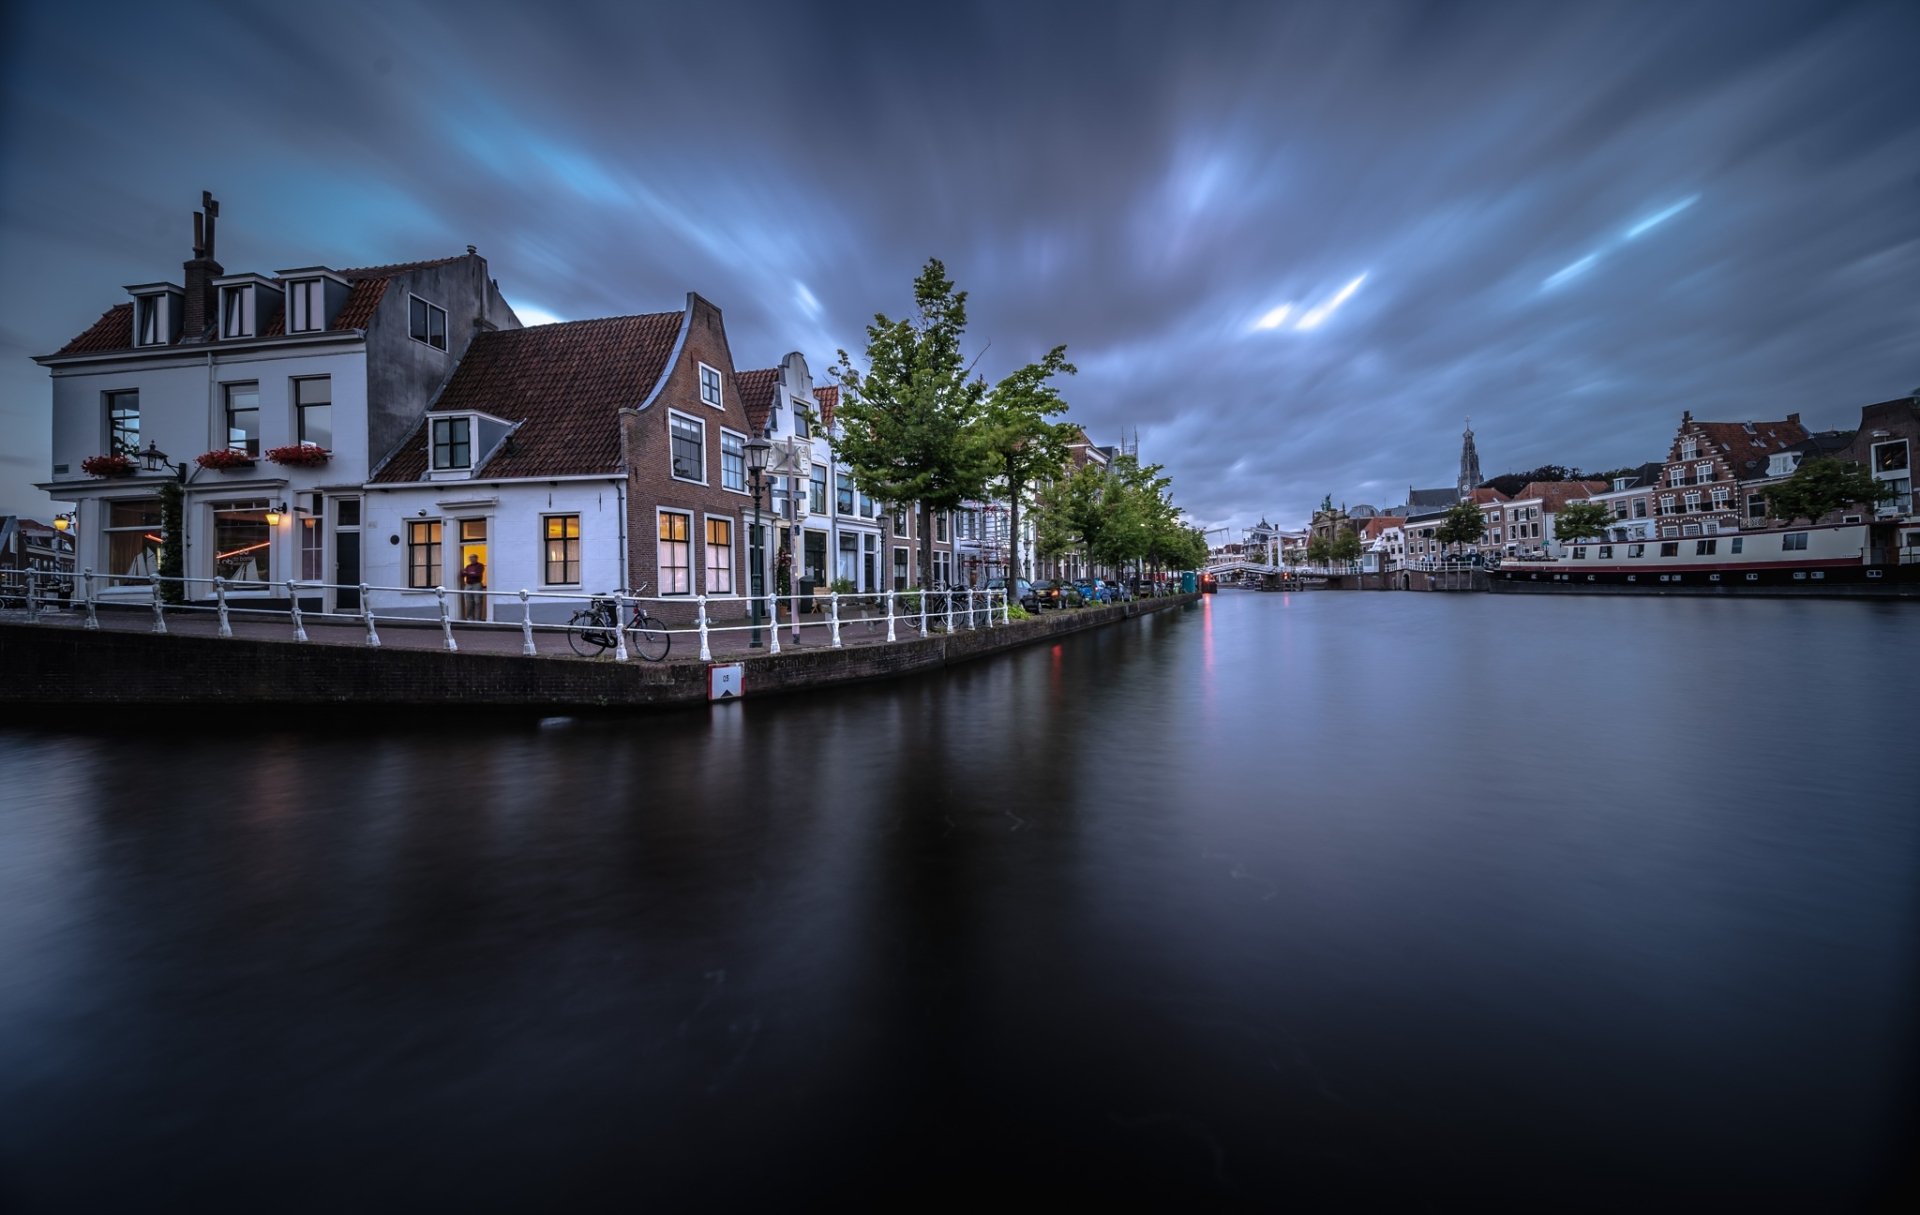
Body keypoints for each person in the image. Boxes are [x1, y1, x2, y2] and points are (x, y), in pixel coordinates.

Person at [461, 554, 486, 620]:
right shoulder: (468, 566)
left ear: (476, 558)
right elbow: (462, 574)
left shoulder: (480, 565)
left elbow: (477, 574)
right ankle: (470, 618)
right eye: (470, 558)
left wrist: (468, 573)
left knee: (477, 601)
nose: (471, 559)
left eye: (472, 558)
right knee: (468, 602)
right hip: (468, 585)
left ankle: (477, 619)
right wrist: (471, 573)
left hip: (477, 584)